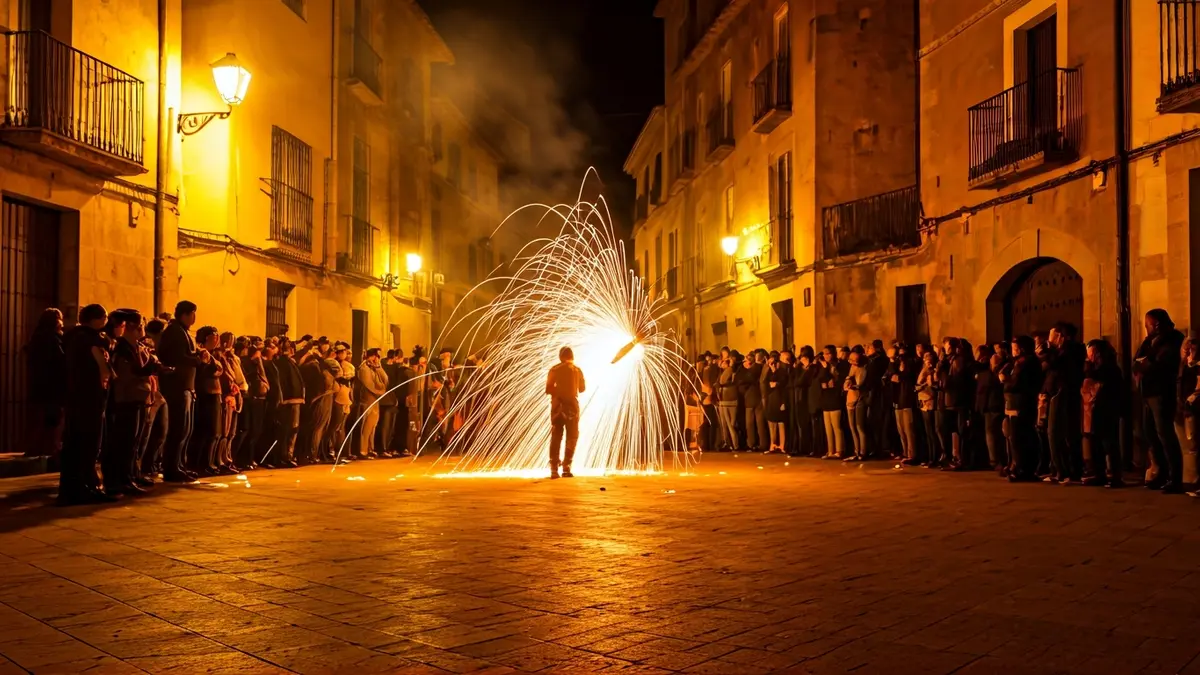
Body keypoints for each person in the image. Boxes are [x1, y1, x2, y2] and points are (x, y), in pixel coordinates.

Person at [59, 305, 118, 504]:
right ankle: (85, 487)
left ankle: (73, 488)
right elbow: (104, 367)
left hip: (76, 397)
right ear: (95, 319)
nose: (106, 322)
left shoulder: (72, 337)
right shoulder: (91, 339)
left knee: (75, 444)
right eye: (104, 317)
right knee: (89, 444)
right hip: (89, 398)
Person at [107, 310, 159, 495]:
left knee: (134, 442)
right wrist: (149, 368)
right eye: (138, 326)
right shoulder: (122, 348)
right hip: (126, 398)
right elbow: (127, 374)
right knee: (125, 442)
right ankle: (121, 479)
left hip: (139, 397)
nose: (141, 329)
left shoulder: (135, 346)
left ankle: (130, 475)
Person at [1134, 308, 1186, 493]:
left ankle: (1175, 478)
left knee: (1165, 434)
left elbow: (1160, 364)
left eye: (1147, 324)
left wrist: (1146, 364)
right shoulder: (1149, 340)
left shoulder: (1173, 339)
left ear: (1156, 324)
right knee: (1150, 433)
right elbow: (1137, 360)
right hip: (1148, 392)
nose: (1145, 328)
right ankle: (1162, 473)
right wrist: (1143, 363)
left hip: (1162, 392)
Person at [157, 300, 200, 482]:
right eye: (193, 313)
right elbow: (177, 356)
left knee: (185, 429)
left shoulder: (182, 331)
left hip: (186, 385)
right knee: (178, 428)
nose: (194, 317)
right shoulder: (175, 332)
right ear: (185, 314)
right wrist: (197, 359)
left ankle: (179, 464)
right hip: (177, 385)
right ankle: (171, 467)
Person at [1082, 339, 1123, 487]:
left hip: (1107, 408)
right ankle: (1099, 473)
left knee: (1109, 442)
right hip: (1096, 409)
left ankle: (1114, 475)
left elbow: (1099, 383)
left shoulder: (1109, 368)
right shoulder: (1097, 367)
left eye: (1091, 351)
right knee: (1096, 442)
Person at [25, 307, 65, 458]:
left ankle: (34, 448)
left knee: (37, 420)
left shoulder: (36, 338)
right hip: (52, 388)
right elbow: (60, 362)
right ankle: (49, 450)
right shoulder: (53, 340)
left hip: (37, 387)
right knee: (52, 422)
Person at [546, 345, 585, 478]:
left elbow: (549, 388)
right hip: (572, 408)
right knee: (572, 436)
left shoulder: (554, 370)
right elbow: (582, 389)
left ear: (560, 357)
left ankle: (554, 468)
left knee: (556, 435)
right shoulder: (577, 370)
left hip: (557, 407)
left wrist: (559, 393)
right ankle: (566, 467)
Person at [356, 348, 389, 458]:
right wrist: (380, 391)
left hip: (375, 400)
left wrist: (379, 368)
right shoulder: (364, 368)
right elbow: (369, 385)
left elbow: (385, 380)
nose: (377, 359)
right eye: (375, 356)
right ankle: (363, 450)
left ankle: (370, 448)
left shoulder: (374, 369)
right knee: (366, 426)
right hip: (367, 400)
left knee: (373, 426)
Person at [818, 345, 846, 459]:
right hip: (826, 398)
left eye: (828, 353)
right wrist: (824, 369)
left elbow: (837, 380)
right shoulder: (824, 366)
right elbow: (821, 379)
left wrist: (829, 378)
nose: (825, 356)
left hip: (835, 397)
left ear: (833, 354)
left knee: (836, 425)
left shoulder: (839, 365)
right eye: (824, 354)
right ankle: (830, 450)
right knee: (828, 427)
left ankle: (839, 450)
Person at [764, 355, 789, 453]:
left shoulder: (782, 372)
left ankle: (782, 445)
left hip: (780, 398)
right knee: (772, 422)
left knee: (781, 423)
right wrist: (769, 369)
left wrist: (783, 402)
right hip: (771, 399)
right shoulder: (769, 372)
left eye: (774, 362)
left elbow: (782, 385)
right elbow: (765, 383)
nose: (772, 364)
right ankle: (772, 444)